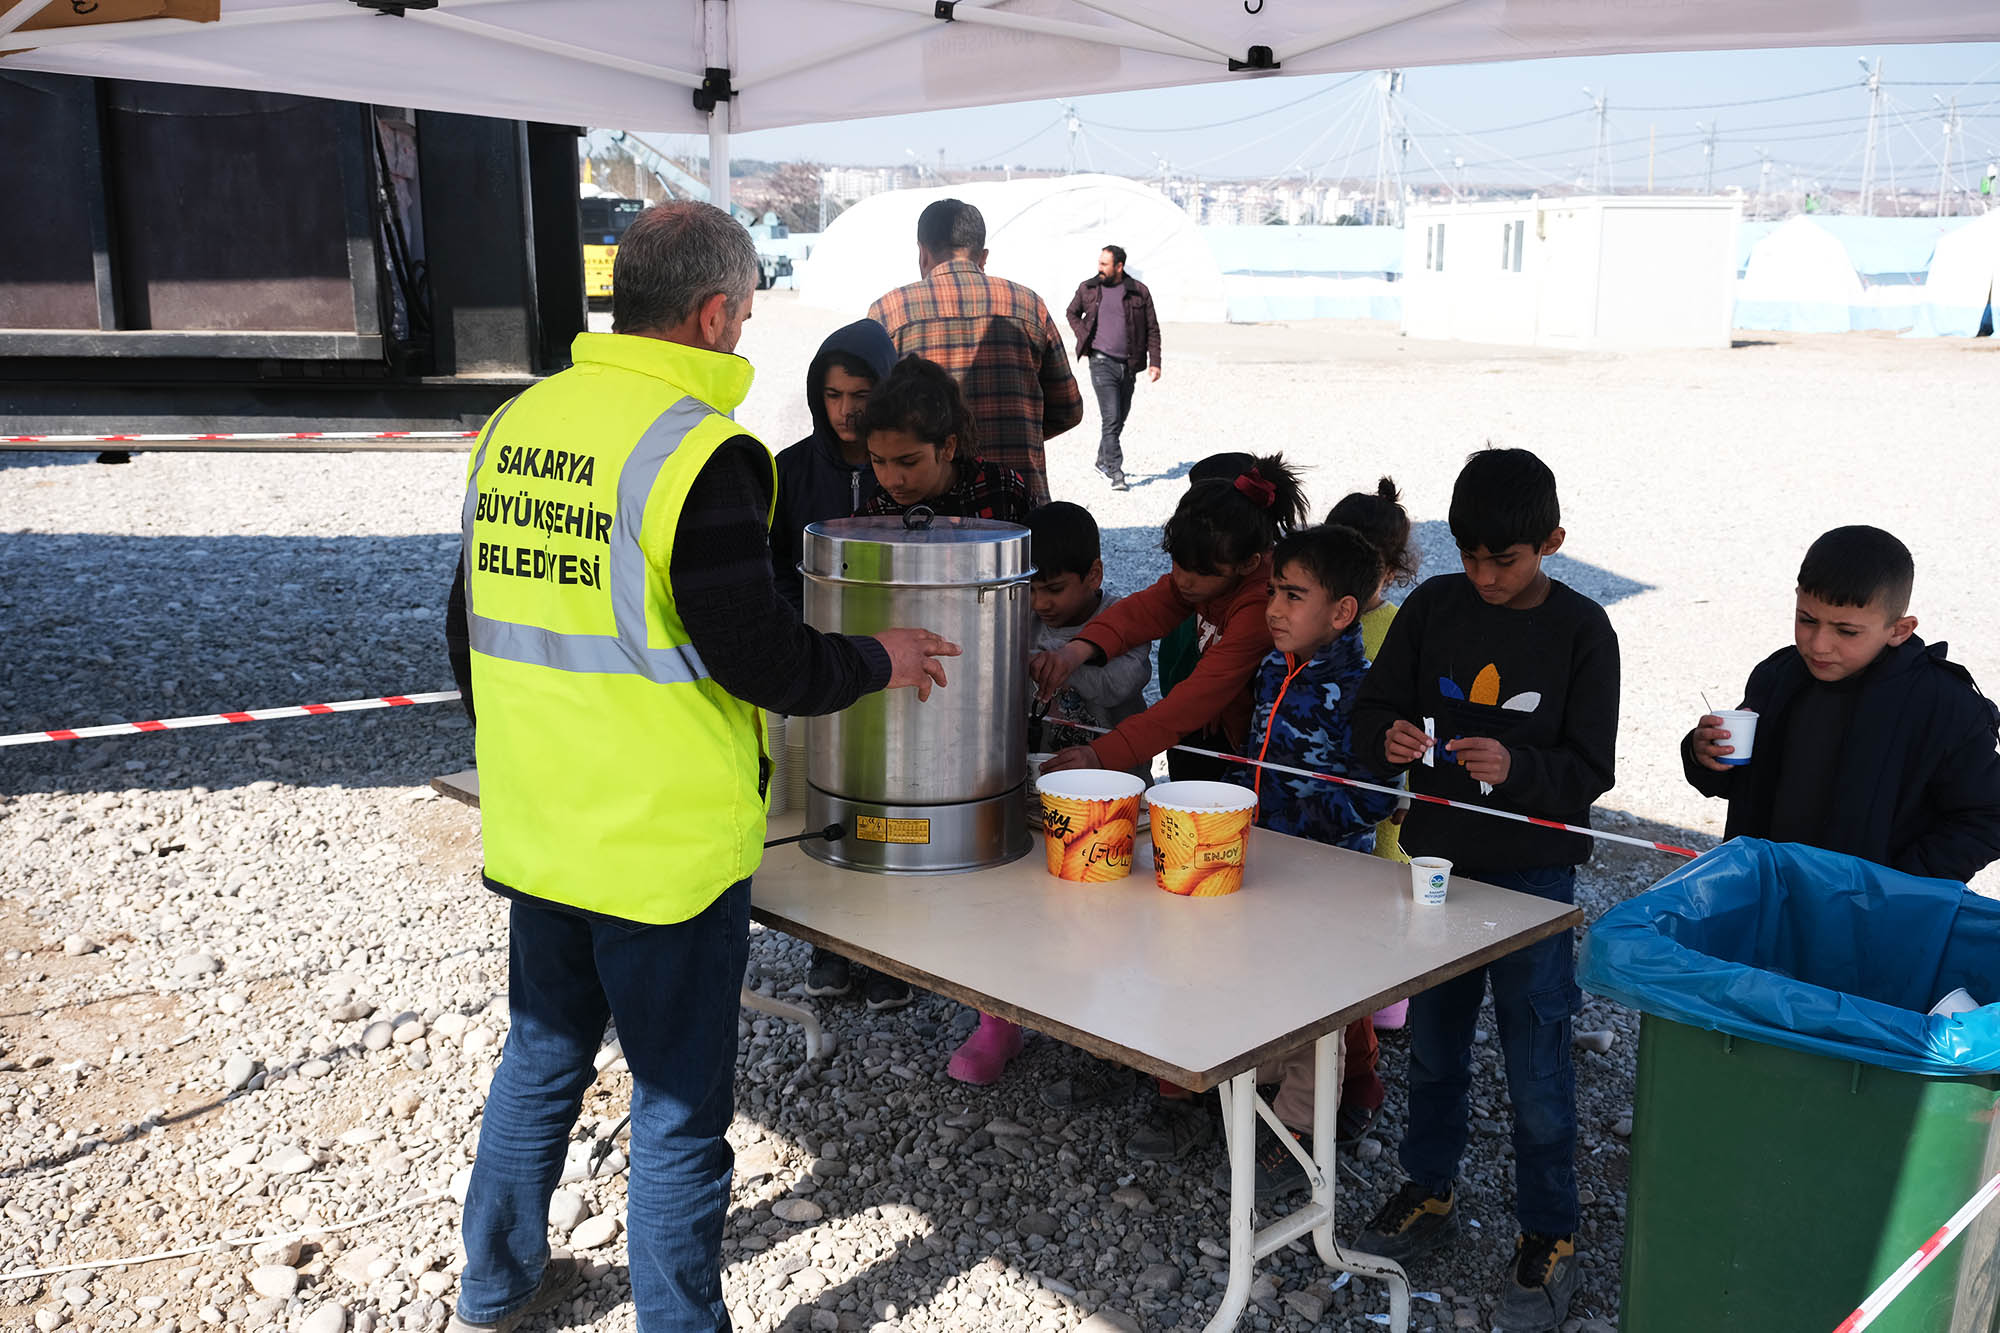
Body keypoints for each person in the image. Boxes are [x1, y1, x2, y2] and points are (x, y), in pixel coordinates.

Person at [443, 201, 959, 1333]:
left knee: (540, 1056)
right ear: (715, 311)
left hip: (540, 821)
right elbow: (761, 654)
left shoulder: (517, 421)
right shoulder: (696, 447)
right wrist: (883, 655)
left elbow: (466, 628)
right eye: (746, 318)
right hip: (663, 851)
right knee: (677, 1109)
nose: (743, 338)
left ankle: (495, 1286)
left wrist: (527, 754)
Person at [1350, 447, 1619, 1333]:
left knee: (1538, 1060)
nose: (1485, 576)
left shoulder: (1584, 631)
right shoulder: (1432, 607)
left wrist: (1519, 765)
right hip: (1437, 867)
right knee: (1433, 1045)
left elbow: (1591, 768)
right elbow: (1370, 710)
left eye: (1503, 560)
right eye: (1469, 556)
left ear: (1551, 542)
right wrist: (1384, 738)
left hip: (1535, 879)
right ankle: (1429, 1188)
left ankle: (1550, 1229)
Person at [1032, 454, 1309, 1160]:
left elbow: (1197, 698)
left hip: (1249, 767)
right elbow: (1150, 607)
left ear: (1250, 562)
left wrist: (1101, 755)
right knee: (1173, 912)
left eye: (1198, 574)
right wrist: (1079, 648)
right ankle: (1170, 1068)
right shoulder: (1206, 572)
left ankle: (1221, 1079)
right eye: (1177, 565)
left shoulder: (1256, 602)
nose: (1184, 582)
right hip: (1203, 757)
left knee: (1227, 924)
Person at [1229, 523, 1400, 1202]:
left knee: (1311, 1003)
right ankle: (1292, 1093)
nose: (1273, 607)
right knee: (1268, 984)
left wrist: (1302, 825)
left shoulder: (1364, 690)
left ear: (1342, 612)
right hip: (1263, 863)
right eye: (1273, 590)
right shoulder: (1274, 667)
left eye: (1293, 595)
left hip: (1327, 877)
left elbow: (1379, 798)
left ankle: (1301, 1130)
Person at [1683, 525, 2000, 883]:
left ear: (1900, 630)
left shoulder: (1945, 705)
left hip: (1873, 919)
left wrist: (1903, 883)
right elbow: (1740, 785)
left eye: (1846, 631)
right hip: (1764, 894)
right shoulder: (1777, 676)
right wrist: (1704, 755)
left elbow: (1987, 815)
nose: (1818, 644)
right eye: (1807, 620)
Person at [867, 199, 1082, 507]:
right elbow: (1069, 409)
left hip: (924, 511)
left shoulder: (889, 312)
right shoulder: (1028, 305)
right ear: (983, 256)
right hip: (1018, 504)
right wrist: (1018, 430)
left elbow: (872, 418)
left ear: (922, 252)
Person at [1328, 476, 1424, 1040]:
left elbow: (1410, 717)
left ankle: (1387, 999)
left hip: (1383, 783)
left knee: (1389, 875)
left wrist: (1404, 788)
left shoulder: (1397, 627)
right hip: (1325, 776)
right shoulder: (1324, 617)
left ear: (1391, 572)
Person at [769, 317, 896, 611]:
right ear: (817, 395)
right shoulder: (788, 470)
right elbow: (772, 564)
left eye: (860, 396)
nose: (845, 410)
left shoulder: (907, 472)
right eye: (833, 395)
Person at [1024, 501, 1152, 762]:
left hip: (1117, 780)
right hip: (1044, 772)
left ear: (1094, 575)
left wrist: (1054, 665)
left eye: (1055, 589)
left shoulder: (1125, 620)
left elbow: (1116, 686)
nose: (1039, 603)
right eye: (1030, 589)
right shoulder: (1024, 621)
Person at [859, 355, 1030, 524]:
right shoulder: (876, 514)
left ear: (947, 447)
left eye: (908, 462)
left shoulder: (1001, 489)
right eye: (878, 461)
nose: (892, 481)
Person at [1065, 244, 1162, 493]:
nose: (1099, 268)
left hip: (1129, 366)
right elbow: (1071, 313)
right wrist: (1083, 334)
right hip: (1100, 362)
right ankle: (1115, 472)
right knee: (1111, 417)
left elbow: (1153, 328)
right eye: (1099, 263)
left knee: (1119, 419)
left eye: (1104, 264)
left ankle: (1101, 461)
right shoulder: (1088, 288)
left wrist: (1155, 363)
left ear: (1119, 266)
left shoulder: (1138, 292)